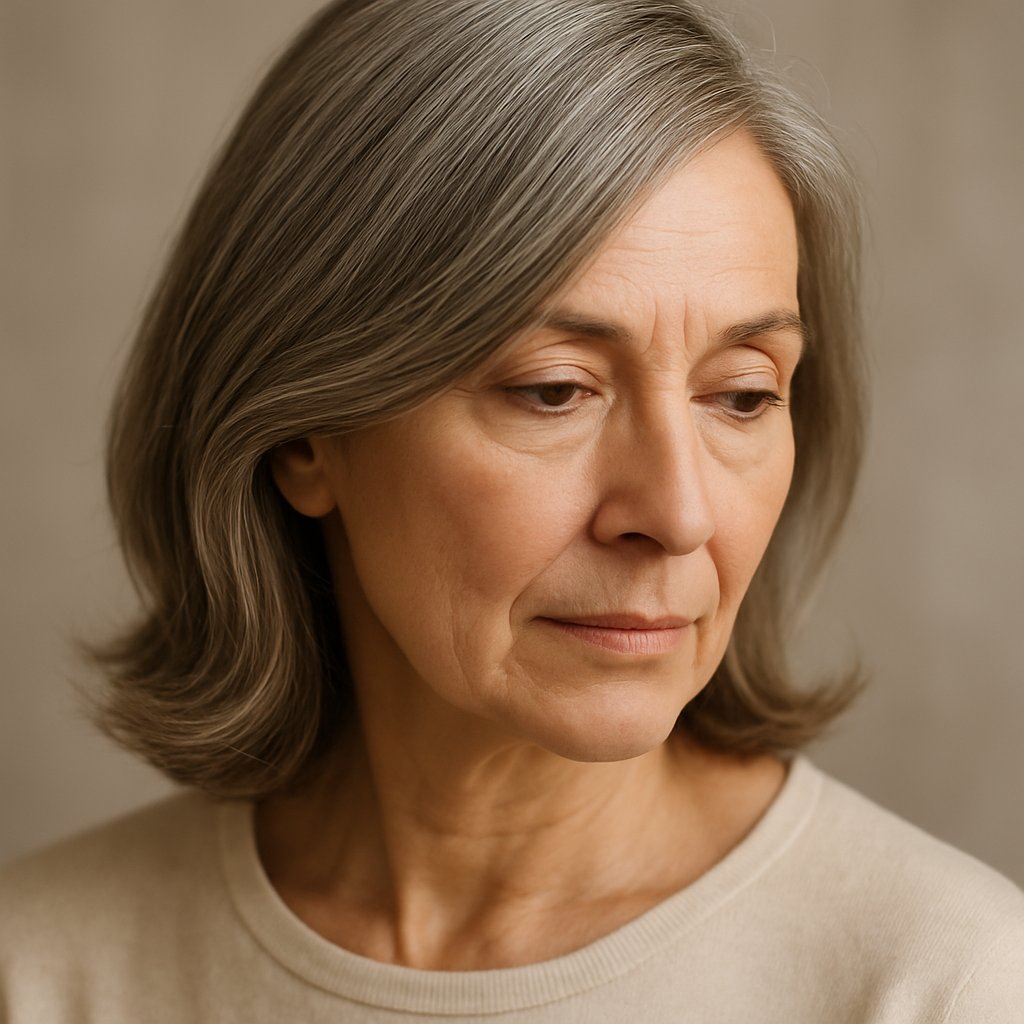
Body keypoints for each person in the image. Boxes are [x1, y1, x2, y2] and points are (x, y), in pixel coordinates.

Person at [1, 0, 1022, 1019]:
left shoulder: (943, 981)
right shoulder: (42, 972)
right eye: (552, 389)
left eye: (743, 394)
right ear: (303, 433)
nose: (675, 513)